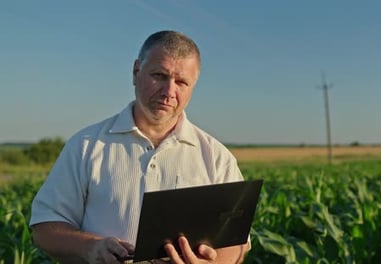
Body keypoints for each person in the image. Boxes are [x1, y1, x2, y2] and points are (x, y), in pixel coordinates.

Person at [30, 30, 250, 264]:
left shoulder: (216, 157)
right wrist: (89, 247)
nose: (169, 92)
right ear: (136, 72)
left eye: (182, 82)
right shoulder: (85, 146)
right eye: (159, 75)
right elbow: (44, 229)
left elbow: (239, 243)